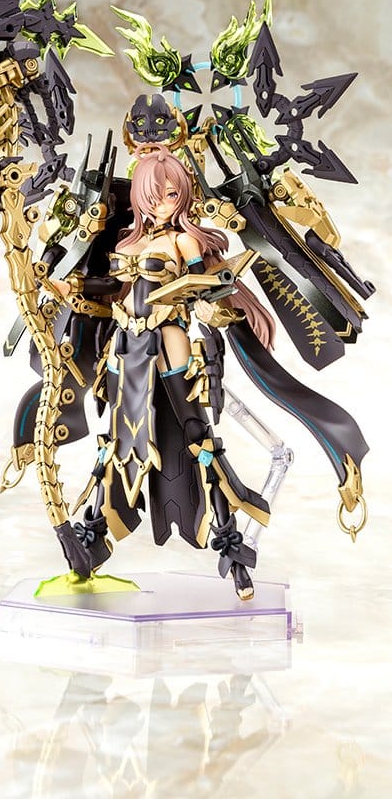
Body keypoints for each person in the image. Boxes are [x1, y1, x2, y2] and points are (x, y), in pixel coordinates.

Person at [71, 144, 276, 599]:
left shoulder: (183, 241)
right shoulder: (128, 242)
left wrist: (208, 297)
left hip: (169, 340)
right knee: (117, 440)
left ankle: (231, 550)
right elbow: (112, 289)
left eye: (171, 195)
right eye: (154, 195)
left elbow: (210, 285)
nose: (162, 204)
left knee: (195, 434)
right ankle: (96, 537)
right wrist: (72, 287)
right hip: (125, 346)